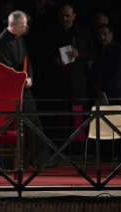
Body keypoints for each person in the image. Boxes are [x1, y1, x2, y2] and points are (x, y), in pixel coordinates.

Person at [0, 11, 54, 171]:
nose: (24, 30)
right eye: (21, 27)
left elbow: (28, 62)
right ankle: (27, 161)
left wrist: (30, 79)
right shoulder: (1, 42)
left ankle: (40, 159)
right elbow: (5, 69)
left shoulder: (19, 39)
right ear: (11, 25)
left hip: (23, 87)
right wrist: (22, 80)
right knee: (20, 125)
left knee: (34, 123)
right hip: (11, 91)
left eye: (25, 27)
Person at [42, 4, 95, 145]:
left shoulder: (84, 31)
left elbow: (93, 53)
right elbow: (43, 54)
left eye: (67, 15)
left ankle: (78, 146)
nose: (64, 18)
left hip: (77, 80)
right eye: (62, 15)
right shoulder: (52, 32)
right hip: (58, 81)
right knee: (60, 114)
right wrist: (53, 60)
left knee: (78, 113)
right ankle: (60, 145)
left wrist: (79, 54)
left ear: (74, 16)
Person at [90, 24, 121, 105]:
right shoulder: (99, 50)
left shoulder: (119, 51)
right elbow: (94, 70)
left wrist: (101, 87)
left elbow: (117, 74)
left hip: (116, 96)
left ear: (111, 35)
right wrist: (96, 85)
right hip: (102, 94)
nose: (102, 37)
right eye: (99, 35)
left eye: (105, 34)